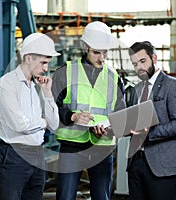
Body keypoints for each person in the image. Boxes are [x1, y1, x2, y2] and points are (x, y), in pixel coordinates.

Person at [52, 21, 126, 200]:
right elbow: (51, 109)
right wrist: (72, 116)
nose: (102, 58)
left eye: (105, 52)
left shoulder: (114, 78)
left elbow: (121, 113)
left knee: (102, 197)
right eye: (96, 52)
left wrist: (110, 127)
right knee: (65, 197)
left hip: (102, 146)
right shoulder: (65, 73)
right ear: (85, 47)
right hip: (72, 146)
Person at [0, 33, 60, 200]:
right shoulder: (7, 84)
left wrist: (47, 93)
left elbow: (55, 124)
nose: (46, 68)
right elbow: (20, 125)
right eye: (43, 62)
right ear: (28, 58)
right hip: (14, 155)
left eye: (47, 63)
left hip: (37, 154)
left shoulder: (39, 86)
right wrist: (44, 122)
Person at [127, 41, 176, 200]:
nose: (139, 67)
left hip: (162, 166)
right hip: (136, 163)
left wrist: (149, 133)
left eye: (142, 61)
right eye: (135, 64)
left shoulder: (173, 86)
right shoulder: (137, 90)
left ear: (154, 58)